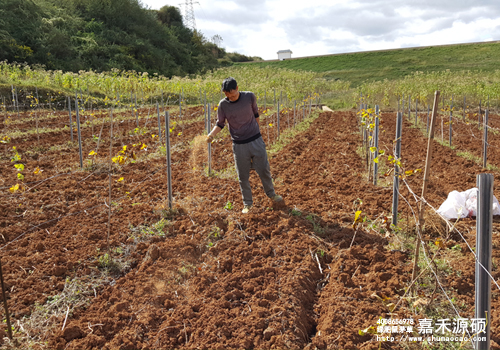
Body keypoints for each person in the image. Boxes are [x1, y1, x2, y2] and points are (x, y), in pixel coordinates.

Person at [207, 77, 283, 213]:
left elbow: (256, 114)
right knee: (242, 175)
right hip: (239, 144)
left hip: (255, 140)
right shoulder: (223, 105)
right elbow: (220, 123)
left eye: (232, 93)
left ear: (237, 88)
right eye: (226, 94)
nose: (230, 96)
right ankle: (247, 204)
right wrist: (211, 135)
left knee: (264, 170)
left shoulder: (249, 96)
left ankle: (272, 194)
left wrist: (257, 132)